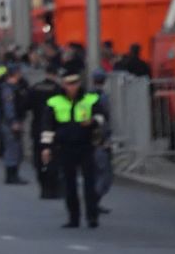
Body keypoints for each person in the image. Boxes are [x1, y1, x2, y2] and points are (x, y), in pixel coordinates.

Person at [39, 72, 104, 228]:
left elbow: (102, 117)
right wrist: (46, 148)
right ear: (63, 85)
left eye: (75, 83)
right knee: (69, 184)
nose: (72, 87)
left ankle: (92, 216)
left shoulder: (90, 99)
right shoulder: (54, 102)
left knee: (90, 183)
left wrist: (92, 121)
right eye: (69, 84)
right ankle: (73, 218)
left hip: (86, 145)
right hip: (64, 147)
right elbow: (47, 127)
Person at [26, 64, 63, 200]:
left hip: (37, 127)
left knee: (39, 158)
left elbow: (26, 105)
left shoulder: (35, 88)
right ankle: (53, 188)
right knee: (54, 159)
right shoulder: (58, 90)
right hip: (54, 128)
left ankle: (43, 188)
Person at [0, 63, 29, 185]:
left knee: (16, 149)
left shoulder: (16, 87)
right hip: (9, 123)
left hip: (15, 121)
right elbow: (8, 107)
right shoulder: (8, 88)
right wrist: (13, 121)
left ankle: (14, 174)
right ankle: (11, 176)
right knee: (12, 149)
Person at [90, 68, 116, 210]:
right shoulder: (102, 98)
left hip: (90, 141)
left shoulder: (86, 97)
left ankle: (94, 202)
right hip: (99, 140)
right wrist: (106, 140)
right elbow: (104, 122)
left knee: (95, 173)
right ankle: (94, 201)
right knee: (105, 174)